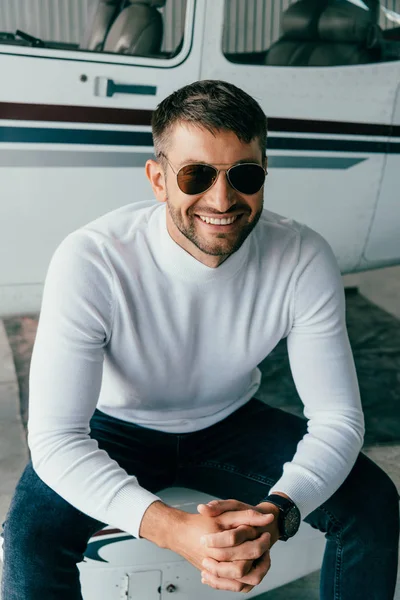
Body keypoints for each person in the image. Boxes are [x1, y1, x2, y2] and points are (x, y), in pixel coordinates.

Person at [1, 80, 399, 599]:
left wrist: (276, 514)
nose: (222, 198)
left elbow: (338, 419)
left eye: (244, 175)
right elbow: (55, 439)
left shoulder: (302, 257)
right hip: (116, 428)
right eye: (196, 174)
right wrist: (174, 530)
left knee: (372, 503)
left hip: (230, 423)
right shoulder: (93, 260)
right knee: (30, 539)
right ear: (158, 179)